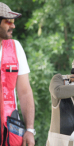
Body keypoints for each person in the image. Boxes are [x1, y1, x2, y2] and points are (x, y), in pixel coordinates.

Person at [0, 2, 35, 146]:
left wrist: (30, 130)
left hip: (10, 129)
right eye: (9, 22)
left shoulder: (16, 47)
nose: (13, 26)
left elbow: (25, 92)